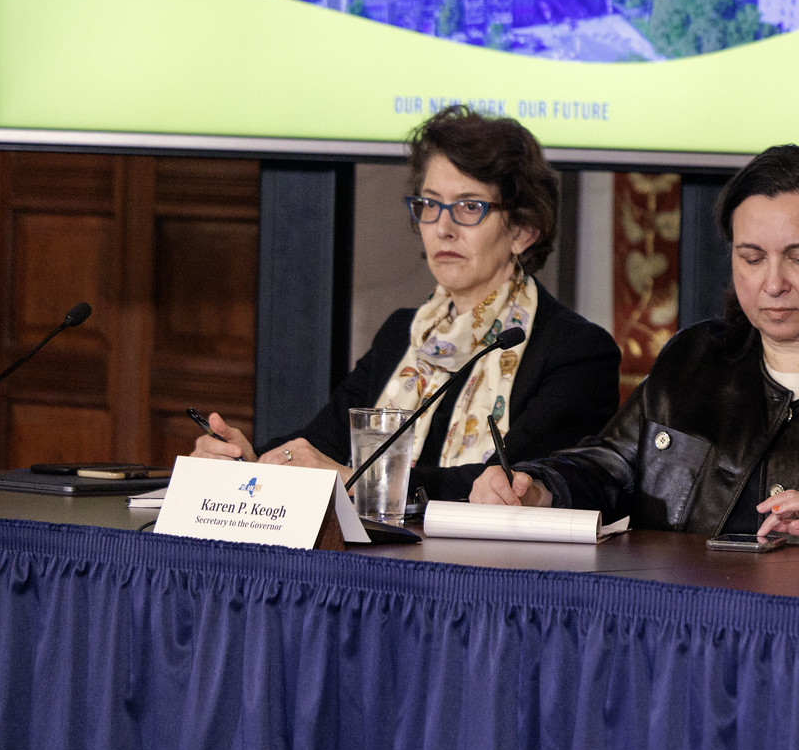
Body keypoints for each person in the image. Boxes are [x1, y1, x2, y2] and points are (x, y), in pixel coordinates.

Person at [473, 143, 799, 551]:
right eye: (751, 258)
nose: (773, 283)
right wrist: (538, 488)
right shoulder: (694, 360)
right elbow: (611, 467)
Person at [191, 105, 620, 500]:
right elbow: (322, 445)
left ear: (522, 231)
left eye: (469, 207)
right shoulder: (404, 333)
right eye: (430, 205)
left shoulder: (574, 351)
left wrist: (359, 482)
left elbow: (511, 483)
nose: (443, 228)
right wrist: (249, 462)